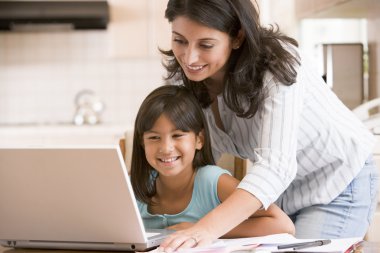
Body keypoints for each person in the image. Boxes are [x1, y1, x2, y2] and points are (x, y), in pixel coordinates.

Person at [158, 0, 380, 251]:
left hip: (337, 183)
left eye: (206, 45)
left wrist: (205, 228)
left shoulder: (277, 65)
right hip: (280, 194)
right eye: (180, 40)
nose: (189, 57)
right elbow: (195, 158)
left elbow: (275, 166)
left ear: (237, 37)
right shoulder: (186, 77)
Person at [130, 85, 295, 240]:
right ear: (142, 142)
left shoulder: (211, 181)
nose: (166, 148)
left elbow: (283, 224)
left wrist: (202, 229)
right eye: (154, 137)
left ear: (199, 140)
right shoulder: (135, 187)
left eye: (177, 135)